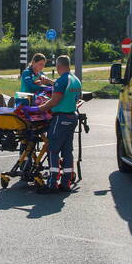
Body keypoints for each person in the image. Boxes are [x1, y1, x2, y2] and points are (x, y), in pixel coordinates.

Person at [39, 54, 82, 191]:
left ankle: (52, 183)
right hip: (72, 117)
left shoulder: (62, 80)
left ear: (58, 66)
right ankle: (66, 182)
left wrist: (40, 108)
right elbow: (77, 98)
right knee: (67, 151)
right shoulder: (76, 80)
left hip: (60, 118)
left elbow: (55, 100)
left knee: (53, 149)